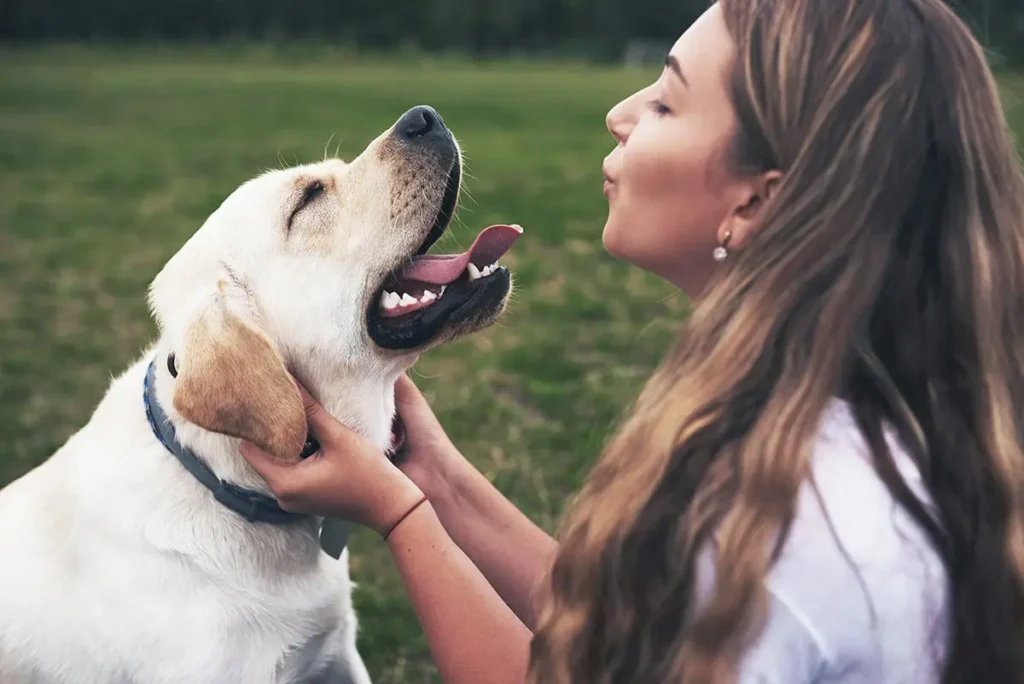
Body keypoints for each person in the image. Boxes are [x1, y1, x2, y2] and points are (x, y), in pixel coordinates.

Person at [239, 0, 1024, 682]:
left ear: (756, 203)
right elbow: (631, 637)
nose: (620, 110)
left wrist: (400, 516)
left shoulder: (783, 517)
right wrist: (439, 483)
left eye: (667, 104)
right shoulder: (856, 422)